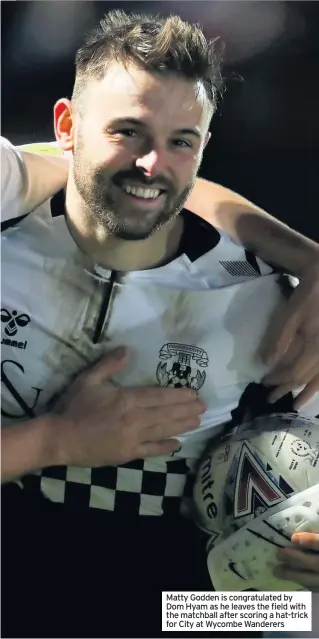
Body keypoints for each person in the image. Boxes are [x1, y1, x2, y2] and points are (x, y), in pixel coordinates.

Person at [1, 10, 318, 639]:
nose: (152, 165)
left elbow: (263, 601)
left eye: (182, 141)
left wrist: (293, 582)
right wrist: (53, 442)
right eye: (127, 131)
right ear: (67, 127)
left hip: (160, 613)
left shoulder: (266, 307)